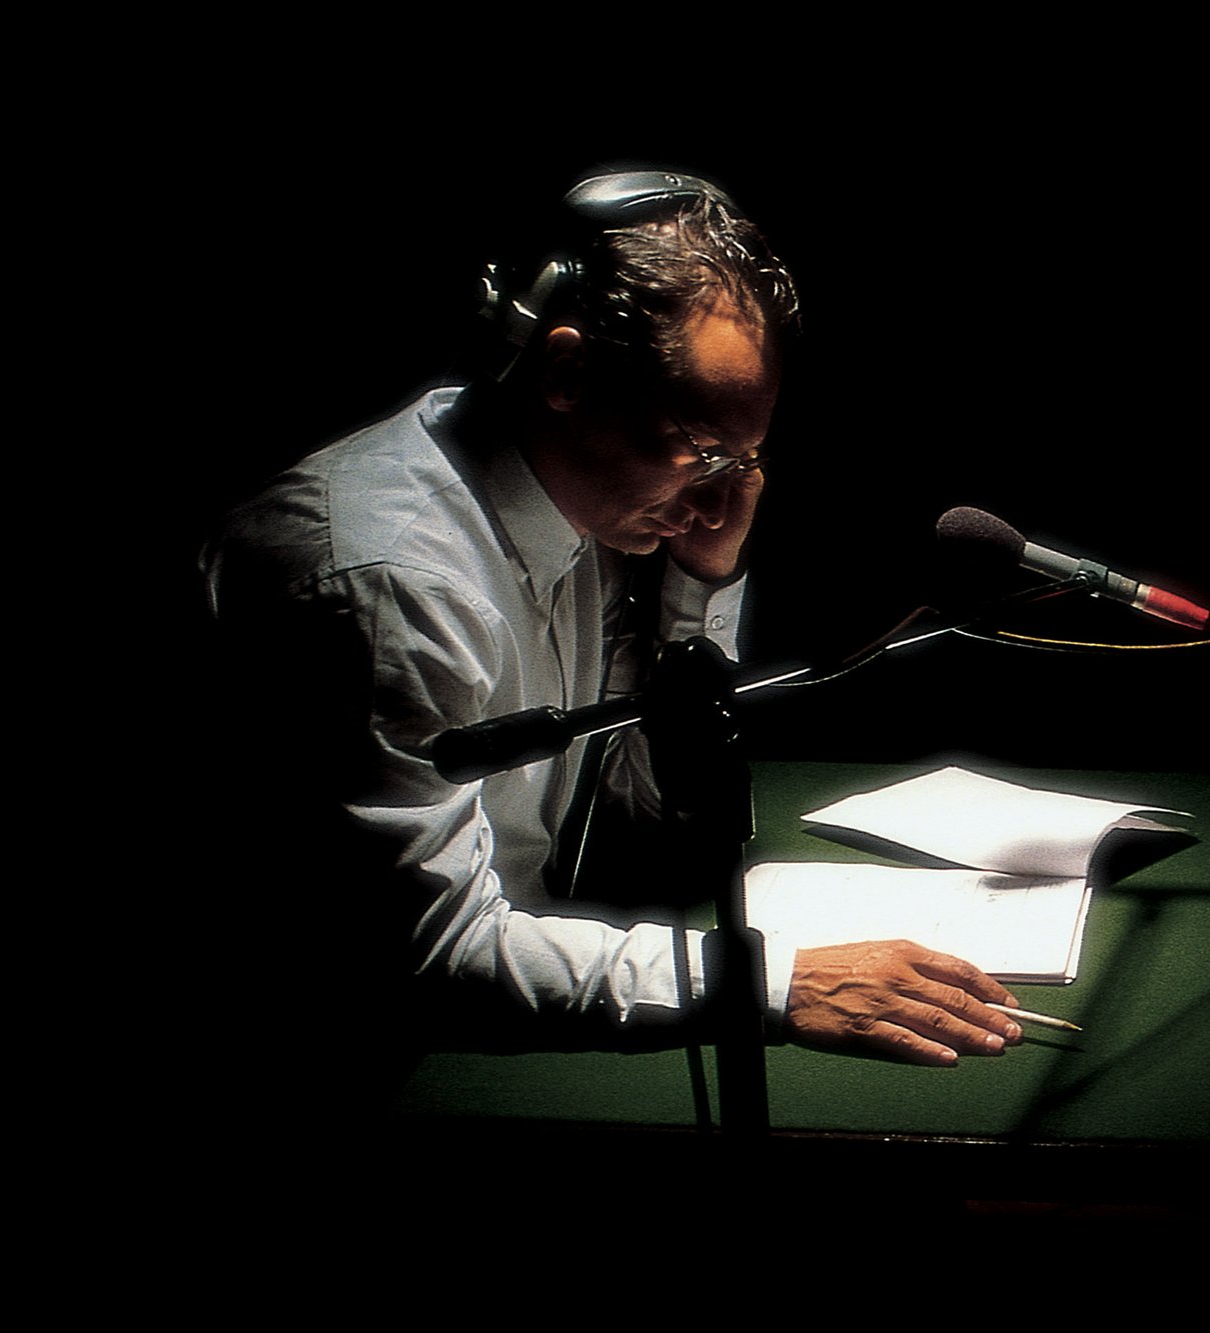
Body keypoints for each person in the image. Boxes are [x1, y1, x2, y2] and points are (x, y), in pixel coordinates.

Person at [201, 170, 1024, 1092]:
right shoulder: (393, 584)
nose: (721, 498)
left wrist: (699, 581)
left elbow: (644, 809)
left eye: (745, 458)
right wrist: (773, 982)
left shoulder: (583, 506)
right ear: (566, 373)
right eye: (703, 452)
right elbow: (428, 952)